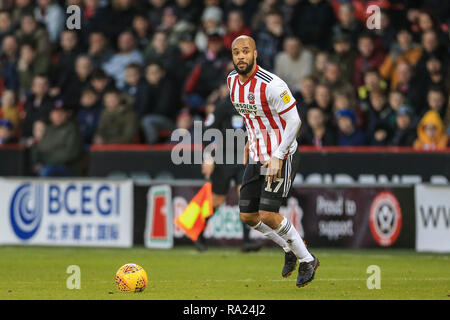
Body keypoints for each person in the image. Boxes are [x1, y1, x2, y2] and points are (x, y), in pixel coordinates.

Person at [228, 35, 318, 288]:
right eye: (236, 52)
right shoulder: (232, 81)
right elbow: (250, 115)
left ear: (255, 54)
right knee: (247, 216)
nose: (241, 56)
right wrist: (250, 139)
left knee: (268, 214)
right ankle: (288, 249)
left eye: (245, 51)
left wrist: (278, 156)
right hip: (256, 154)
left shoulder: (273, 85)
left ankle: (307, 259)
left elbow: (295, 121)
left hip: (281, 155)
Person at [198, 82, 262, 253]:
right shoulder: (223, 106)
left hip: (244, 158)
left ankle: (247, 241)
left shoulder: (252, 105)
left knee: (245, 195)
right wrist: (207, 157)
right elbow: (207, 131)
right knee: (217, 200)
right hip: (224, 158)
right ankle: (200, 234)